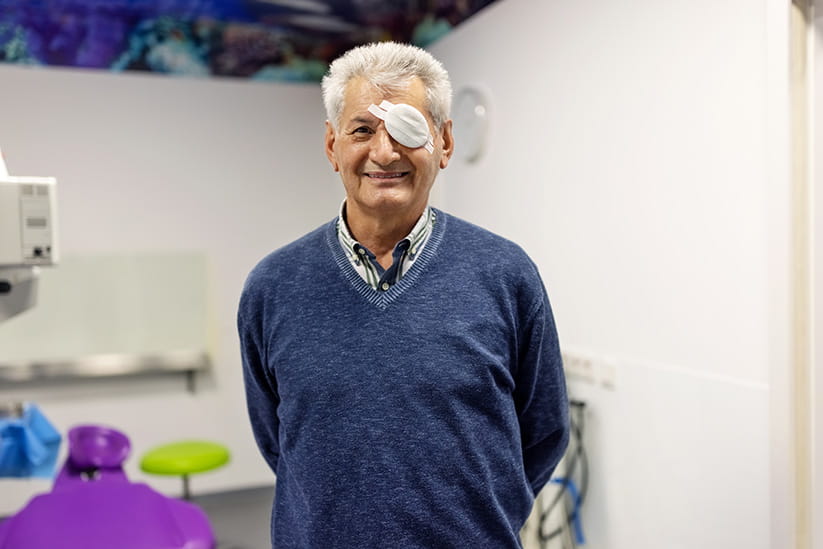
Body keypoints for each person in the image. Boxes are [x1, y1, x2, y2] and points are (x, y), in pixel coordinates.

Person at [238, 41, 569, 549]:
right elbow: (278, 441)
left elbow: (542, 431)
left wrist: (480, 522)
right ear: (332, 146)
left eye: (407, 129)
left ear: (444, 143)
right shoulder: (273, 287)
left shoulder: (506, 275)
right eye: (363, 130)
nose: (385, 152)